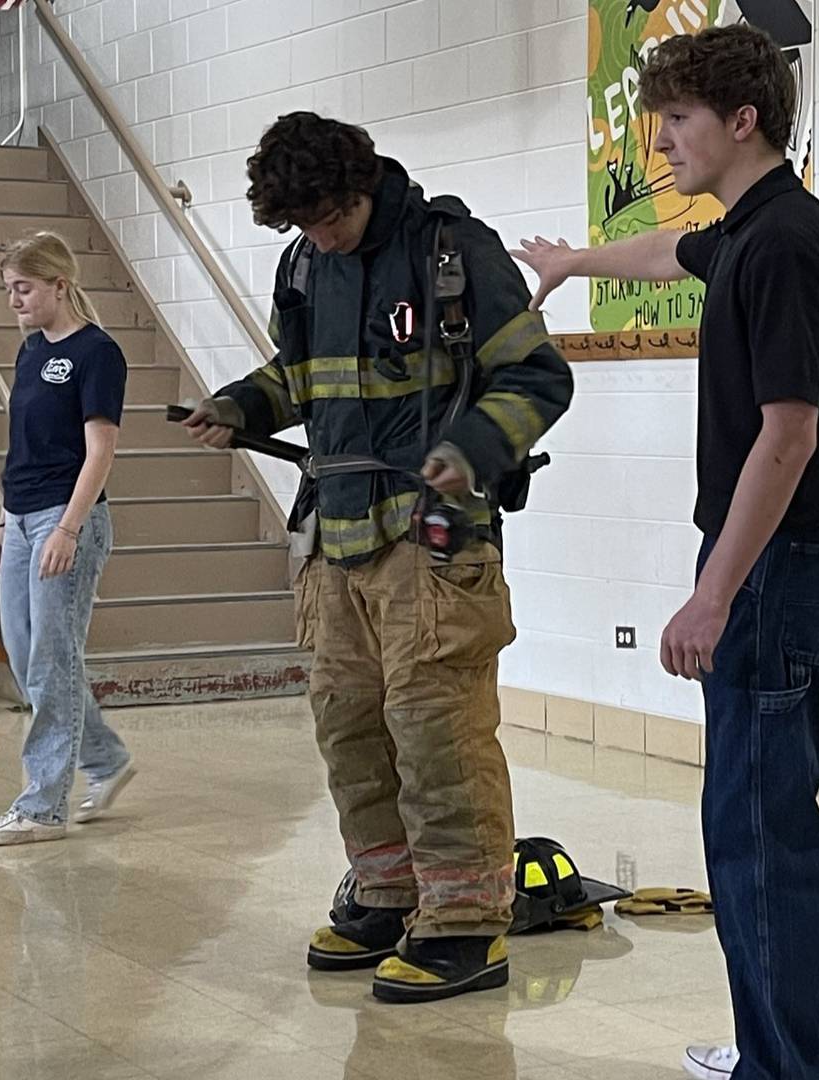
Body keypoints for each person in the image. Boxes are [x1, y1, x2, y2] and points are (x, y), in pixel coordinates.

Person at [513, 25, 819, 1080]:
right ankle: (802, 1047)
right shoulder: (752, 226)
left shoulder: (786, 241)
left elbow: (790, 432)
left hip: (779, 564)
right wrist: (576, 261)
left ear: (742, 119)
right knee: (765, 820)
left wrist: (714, 592)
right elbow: (669, 250)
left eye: (676, 119)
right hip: (777, 560)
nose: (660, 142)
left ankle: (784, 1067)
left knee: (755, 834)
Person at [183, 111, 572, 1003]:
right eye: (301, 225)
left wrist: (474, 446)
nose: (318, 235)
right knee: (347, 724)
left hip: (433, 545)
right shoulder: (306, 265)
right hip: (336, 539)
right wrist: (240, 405)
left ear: (360, 186)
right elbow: (301, 374)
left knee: (436, 730)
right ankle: (391, 893)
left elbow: (541, 378)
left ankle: (468, 921)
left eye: (328, 217)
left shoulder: (453, 252)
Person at [0, 232, 137, 846]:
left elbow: (101, 450)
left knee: (50, 660)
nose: (15, 301)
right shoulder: (32, 350)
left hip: (68, 520)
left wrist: (67, 527)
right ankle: (107, 760)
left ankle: (41, 806)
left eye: (25, 288)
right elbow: (25, 446)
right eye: (10, 289)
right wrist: (8, 518)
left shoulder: (98, 353)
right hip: (22, 517)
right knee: (27, 655)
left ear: (59, 285)